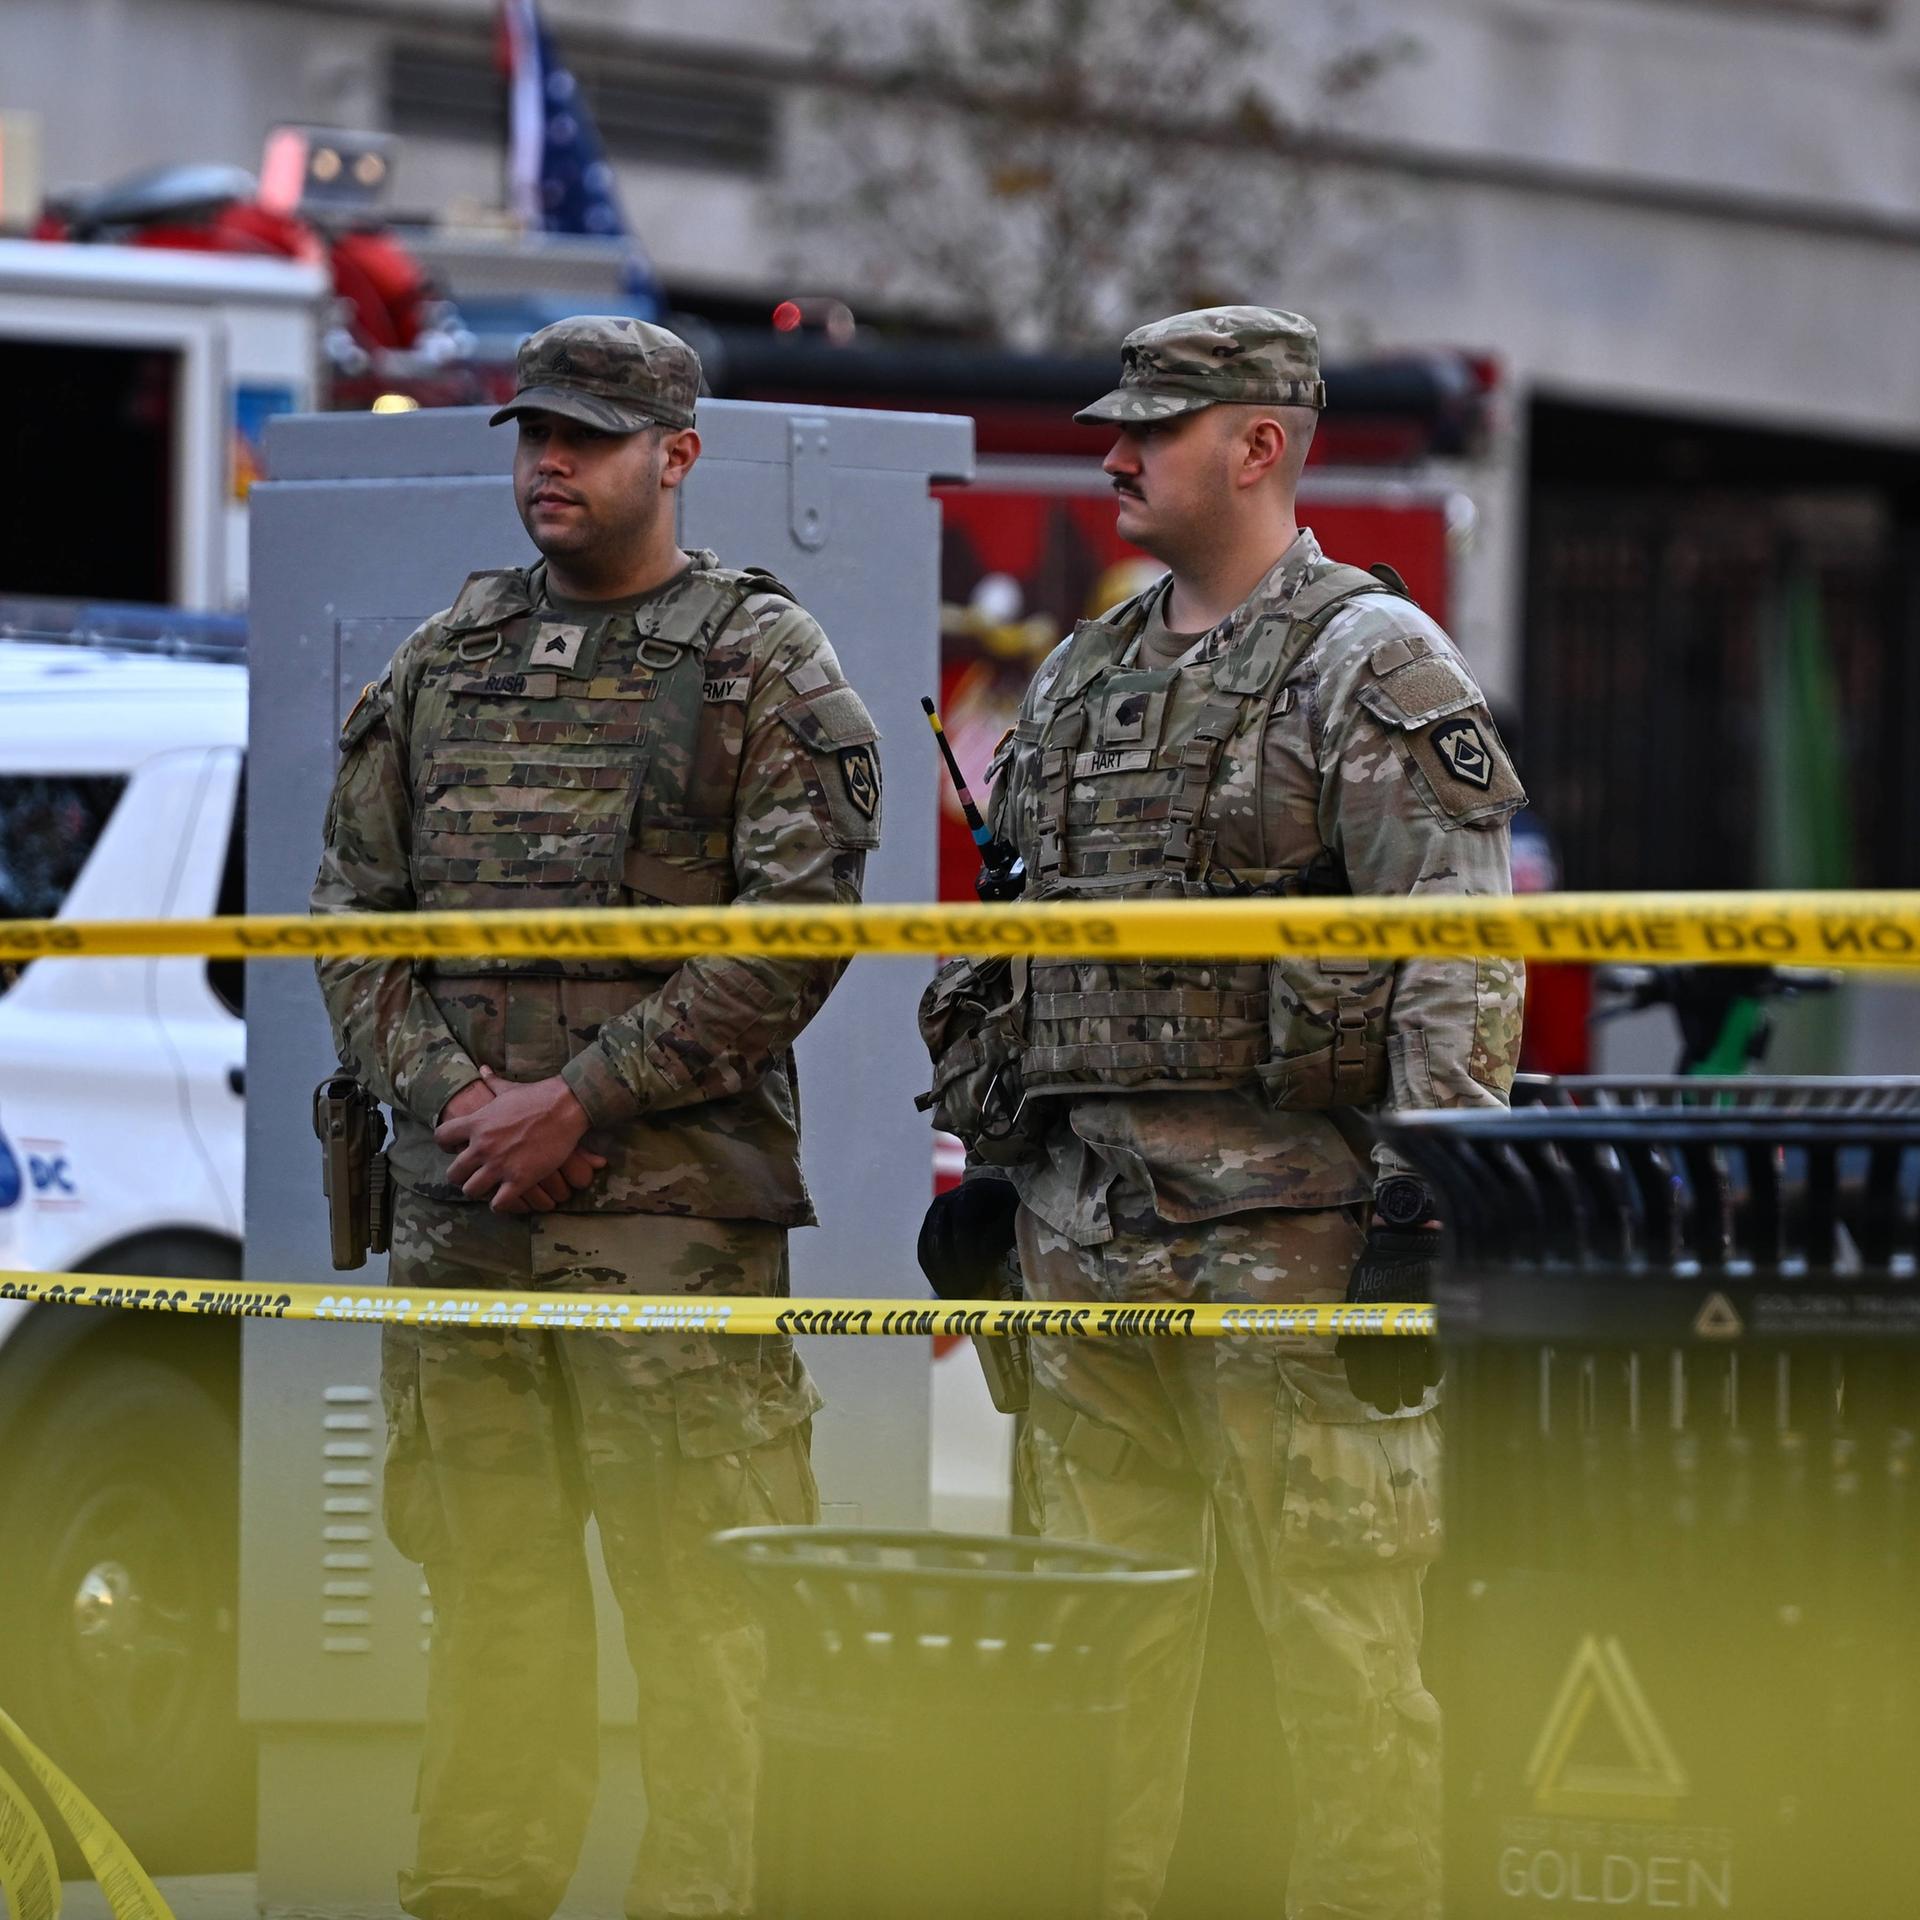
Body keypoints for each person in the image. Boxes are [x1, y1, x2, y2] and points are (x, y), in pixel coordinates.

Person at [311, 315, 882, 1920]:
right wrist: (464, 1104)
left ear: (676, 455)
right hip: (463, 1219)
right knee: (491, 1605)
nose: (547, 463)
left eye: (587, 437)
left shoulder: (765, 661)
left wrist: (583, 1100)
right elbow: (351, 917)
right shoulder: (445, 657)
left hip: (667, 1234)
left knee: (703, 1615)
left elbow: (793, 938)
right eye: (531, 434)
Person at [973, 307, 1525, 1919]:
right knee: (1091, 1676)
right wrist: (999, 1166)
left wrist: (1428, 1206)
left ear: (1261, 445)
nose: (1114, 453)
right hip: (1086, 1244)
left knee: (1344, 1670)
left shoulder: (1375, 665)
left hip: (1295, 1252)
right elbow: (1023, 952)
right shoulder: (1079, 677)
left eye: (1151, 425)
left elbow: (1456, 953)